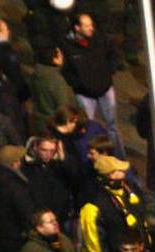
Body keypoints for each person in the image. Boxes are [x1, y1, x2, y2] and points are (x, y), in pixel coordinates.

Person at [60, 14, 122, 154]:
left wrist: (109, 71)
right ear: (77, 28)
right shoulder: (67, 46)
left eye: (91, 25)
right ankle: (94, 156)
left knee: (112, 126)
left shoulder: (100, 39)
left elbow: (114, 55)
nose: (91, 28)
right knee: (87, 127)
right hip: (85, 94)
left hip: (105, 89)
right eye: (87, 26)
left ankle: (118, 155)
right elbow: (65, 70)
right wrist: (78, 83)